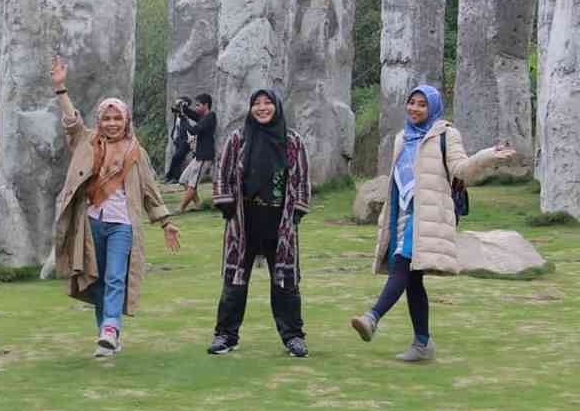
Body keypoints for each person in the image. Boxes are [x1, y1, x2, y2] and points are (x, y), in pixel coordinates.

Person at [350, 85, 517, 361]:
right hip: (403, 213)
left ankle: (372, 317)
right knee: (413, 280)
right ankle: (422, 344)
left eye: (421, 104)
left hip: (428, 214)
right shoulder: (402, 138)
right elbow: (397, 179)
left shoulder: (446, 135)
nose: (415, 108)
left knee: (403, 264)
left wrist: (487, 156)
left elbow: (461, 169)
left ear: (433, 108)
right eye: (411, 102)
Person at [50, 55, 181, 357]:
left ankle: (110, 327)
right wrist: (61, 89)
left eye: (117, 118)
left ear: (126, 120)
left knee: (115, 278)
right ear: (100, 121)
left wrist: (166, 222)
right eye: (107, 119)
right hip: (90, 222)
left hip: (122, 224)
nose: (111, 124)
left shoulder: (137, 152)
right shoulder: (87, 142)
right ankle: (107, 335)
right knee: (95, 279)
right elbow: (72, 123)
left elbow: (150, 191)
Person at [209, 89, 311, 358]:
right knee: (235, 281)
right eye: (257, 103)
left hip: (280, 224)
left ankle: (293, 337)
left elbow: (301, 177)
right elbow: (223, 172)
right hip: (244, 222)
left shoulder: (292, 141)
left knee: (286, 282)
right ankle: (225, 336)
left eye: (268, 103)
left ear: (276, 107)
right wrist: (226, 205)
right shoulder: (238, 138)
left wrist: (297, 212)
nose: (262, 108)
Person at [178, 93, 217, 212]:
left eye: (198, 105)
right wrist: (182, 108)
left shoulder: (210, 116)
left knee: (192, 185)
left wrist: (184, 120)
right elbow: (192, 114)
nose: (196, 107)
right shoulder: (203, 117)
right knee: (184, 180)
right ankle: (199, 205)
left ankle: (180, 209)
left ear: (206, 105)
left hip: (205, 156)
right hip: (199, 156)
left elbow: (194, 130)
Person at [165, 96, 194, 183]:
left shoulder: (189, 114)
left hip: (187, 140)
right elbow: (176, 127)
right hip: (179, 140)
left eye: (180, 103)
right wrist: (174, 138)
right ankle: (174, 178)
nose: (177, 104)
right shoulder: (177, 115)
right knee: (179, 159)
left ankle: (170, 176)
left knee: (176, 157)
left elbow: (190, 127)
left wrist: (184, 116)